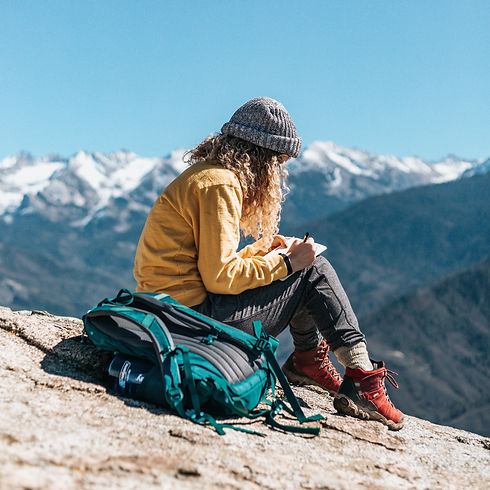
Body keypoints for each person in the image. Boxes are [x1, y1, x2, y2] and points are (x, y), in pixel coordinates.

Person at [133, 97, 404, 430]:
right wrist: (288, 265)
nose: (278, 172)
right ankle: (362, 379)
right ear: (261, 156)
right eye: (278, 162)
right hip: (192, 321)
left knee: (304, 265)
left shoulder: (206, 176)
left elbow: (204, 265)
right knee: (313, 269)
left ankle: (308, 361)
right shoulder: (221, 185)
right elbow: (220, 278)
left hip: (169, 312)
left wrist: (263, 252)